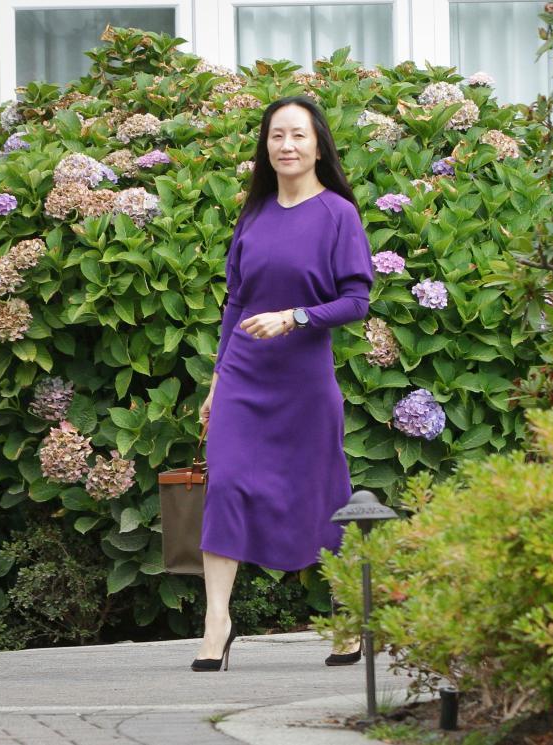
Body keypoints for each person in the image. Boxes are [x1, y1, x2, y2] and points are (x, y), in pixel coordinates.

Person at [192, 96, 374, 672]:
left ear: (318, 145)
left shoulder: (338, 215)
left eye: (298, 135)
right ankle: (217, 624)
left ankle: (347, 619)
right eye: (276, 136)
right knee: (225, 485)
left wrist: (295, 317)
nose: (287, 145)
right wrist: (217, 380)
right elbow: (236, 303)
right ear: (265, 146)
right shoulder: (254, 215)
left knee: (321, 493)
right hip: (243, 377)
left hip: (304, 382)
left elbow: (357, 301)